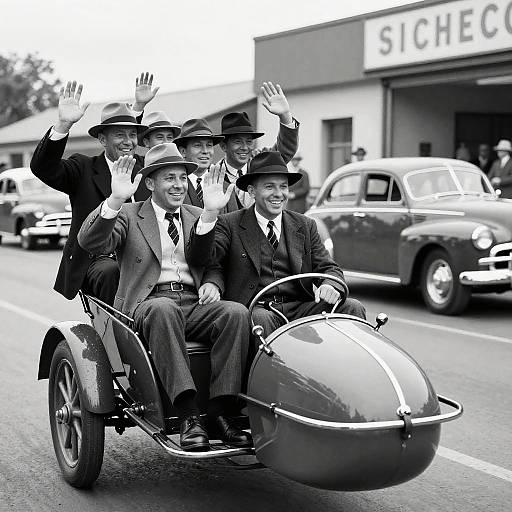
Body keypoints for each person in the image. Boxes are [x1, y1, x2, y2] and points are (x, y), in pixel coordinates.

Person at [78, 143, 251, 451]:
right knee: (162, 309)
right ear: (150, 183)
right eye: (169, 178)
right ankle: (188, 415)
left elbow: (215, 262)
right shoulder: (130, 214)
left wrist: (213, 282)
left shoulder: (199, 214)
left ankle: (222, 412)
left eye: (182, 178)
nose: (178, 185)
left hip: (194, 303)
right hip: (147, 305)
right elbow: (90, 240)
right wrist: (115, 199)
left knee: (236, 313)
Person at [204, 151, 366, 341]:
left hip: (300, 307)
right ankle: (269, 370)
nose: (278, 194)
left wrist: (330, 285)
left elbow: (329, 267)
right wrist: (210, 213)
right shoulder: (229, 224)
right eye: (269, 187)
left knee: (352, 307)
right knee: (260, 318)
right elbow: (211, 260)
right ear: (251, 191)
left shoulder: (305, 225)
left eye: (283, 187)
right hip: (258, 308)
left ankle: (346, 368)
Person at [30, 75, 158, 304]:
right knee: (112, 272)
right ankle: (120, 334)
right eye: (119, 134)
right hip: (98, 259)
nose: (128, 141)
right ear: (102, 139)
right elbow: (43, 168)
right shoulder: (83, 168)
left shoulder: (144, 169)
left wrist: (137, 108)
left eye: (132, 135)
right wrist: (64, 125)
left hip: (143, 257)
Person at [216, 81, 299, 211]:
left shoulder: (261, 161)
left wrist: (285, 116)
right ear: (223, 146)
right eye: (238, 142)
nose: (245, 147)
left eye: (249, 141)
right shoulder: (214, 176)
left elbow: (285, 150)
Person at [174, 118, 238, 211]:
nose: (205, 151)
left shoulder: (225, 188)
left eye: (209, 145)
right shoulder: (175, 187)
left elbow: (233, 223)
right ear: (183, 152)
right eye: (197, 145)